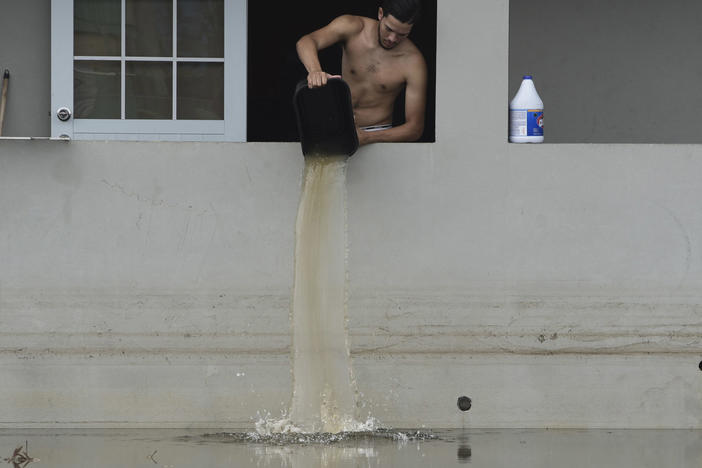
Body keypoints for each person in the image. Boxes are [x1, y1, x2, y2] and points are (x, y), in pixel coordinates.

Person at [296, 0, 427, 145]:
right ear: (380, 13)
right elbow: (306, 41)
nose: (392, 38)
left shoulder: (413, 62)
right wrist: (315, 70)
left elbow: (415, 128)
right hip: (337, 125)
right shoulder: (352, 27)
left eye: (402, 34)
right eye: (389, 29)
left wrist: (368, 137)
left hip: (377, 133)